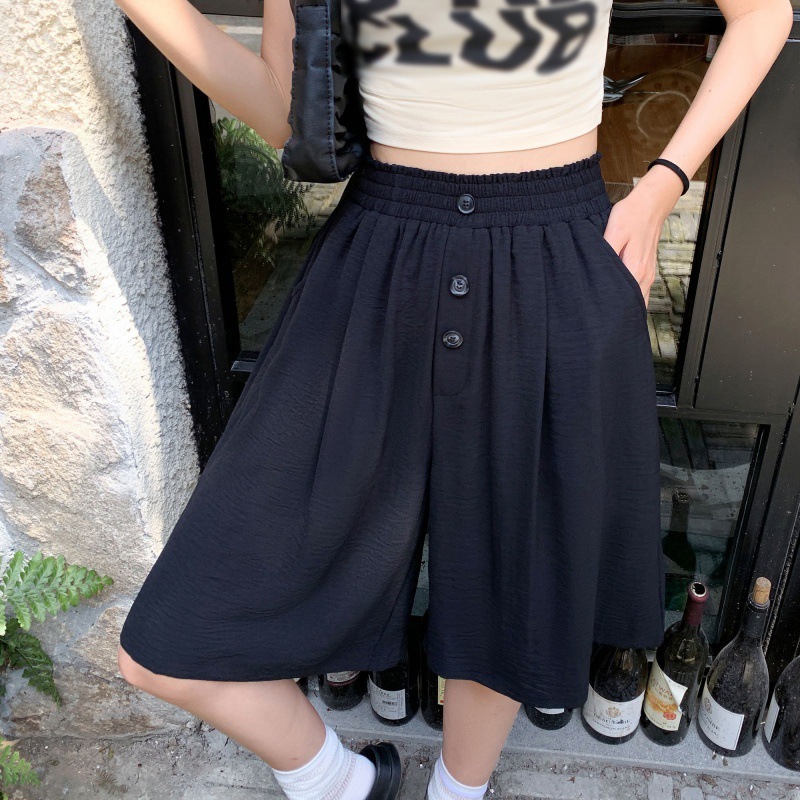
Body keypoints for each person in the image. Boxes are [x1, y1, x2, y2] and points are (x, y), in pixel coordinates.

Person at [113, 0, 793, 798]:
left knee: (512, 586)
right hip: (380, 257)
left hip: (554, 255)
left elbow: (761, 15)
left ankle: (457, 791)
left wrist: (661, 187)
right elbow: (283, 110)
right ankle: (336, 781)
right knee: (160, 648)